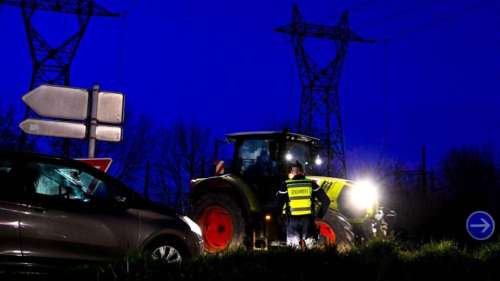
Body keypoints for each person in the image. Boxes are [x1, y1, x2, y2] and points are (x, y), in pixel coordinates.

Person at [274, 161, 330, 249]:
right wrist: (319, 217)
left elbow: (277, 205)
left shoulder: (286, 185)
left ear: (292, 173)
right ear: (303, 172)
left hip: (292, 221)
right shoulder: (311, 184)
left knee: (293, 250)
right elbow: (326, 201)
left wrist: (281, 220)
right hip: (308, 221)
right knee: (310, 249)